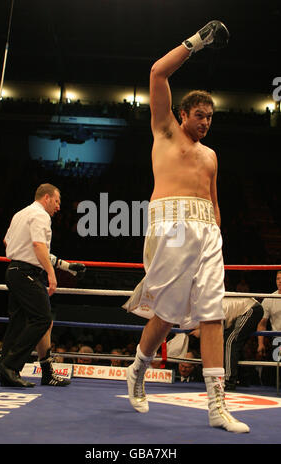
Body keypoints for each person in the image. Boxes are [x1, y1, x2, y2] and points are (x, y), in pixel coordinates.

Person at [123, 21, 249, 433]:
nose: (206, 123)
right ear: (182, 114)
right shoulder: (164, 133)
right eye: (199, 115)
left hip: (206, 231)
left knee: (212, 311)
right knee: (166, 313)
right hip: (171, 225)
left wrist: (217, 231)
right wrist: (196, 43)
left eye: (211, 117)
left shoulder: (211, 157)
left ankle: (217, 405)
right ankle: (137, 370)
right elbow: (157, 73)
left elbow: (213, 203)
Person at [0, 183, 85, 387]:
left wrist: (65, 266)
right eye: (57, 201)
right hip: (27, 273)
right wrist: (52, 274)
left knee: (19, 322)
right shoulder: (41, 216)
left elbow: (8, 242)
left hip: (15, 271)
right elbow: (38, 246)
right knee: (42, 319)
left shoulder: (20, 214)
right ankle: (11, 366)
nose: (59, 206)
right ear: (46, 198)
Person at [257, 271, 281, 358]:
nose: (280, 281)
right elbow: (262, 323)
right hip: (278, 338)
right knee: (278, 367)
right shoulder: (269, 299)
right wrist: (260, 344)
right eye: (278, 278)